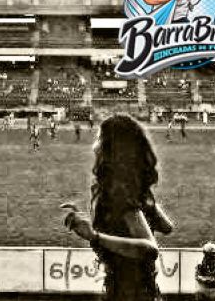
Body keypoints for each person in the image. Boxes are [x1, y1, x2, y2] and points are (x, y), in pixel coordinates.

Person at [62, 114, 174, 301]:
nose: (94, 145)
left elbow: (149, 249)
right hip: (143, 291)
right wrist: (145, 202)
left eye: (99, 138)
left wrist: (95, 236)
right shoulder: (128, 190)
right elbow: (166, 227)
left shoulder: (119, 193)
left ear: (112, 148)